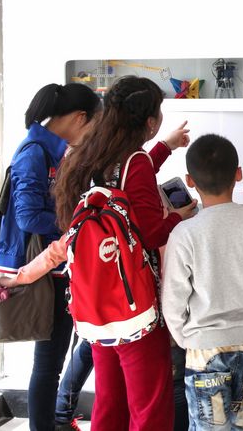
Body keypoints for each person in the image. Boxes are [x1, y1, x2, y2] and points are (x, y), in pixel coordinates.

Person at [52, 75, 197, 430]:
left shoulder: (88, 155)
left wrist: (164, 147)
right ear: (149, 121)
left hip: (95, 301)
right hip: (133, 301)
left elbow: (127, 180)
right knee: (149, 406)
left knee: (110, 400)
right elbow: (150, 232)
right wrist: (178, 217)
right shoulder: (135, 161)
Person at [162, 134, 243, 430]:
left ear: (190, 181)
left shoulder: (184, 233)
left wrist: (186, 339)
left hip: (204, 348)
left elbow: (173, 301)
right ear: (238, 174)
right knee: (242, 422)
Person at [0, 82, 101, 431]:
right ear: (80, 117)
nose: (91, 135)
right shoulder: (34, 153)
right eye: (93, 126)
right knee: (48, 363)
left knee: (51, 360)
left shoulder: (52, 151)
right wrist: (78, 222)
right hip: (41, 270)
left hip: (53, 268)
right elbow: (26, 216)